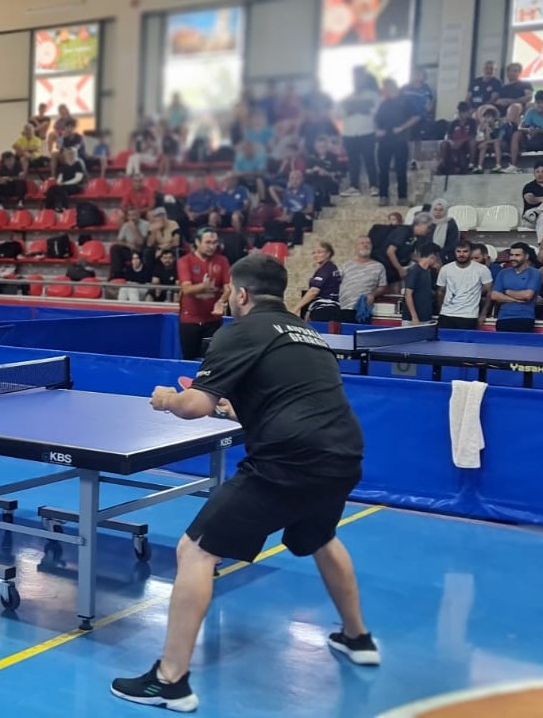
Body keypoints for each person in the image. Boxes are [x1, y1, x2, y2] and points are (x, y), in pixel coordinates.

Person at [111, 254, 378, 712]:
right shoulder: (305, 332)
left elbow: (194, 406)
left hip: (287, 461)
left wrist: (168, 399)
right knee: (320, 537)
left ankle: (170, 681)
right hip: (344, 455)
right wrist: (234, 407)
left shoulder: (238, 331)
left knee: (195, 549)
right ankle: (357, 638)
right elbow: (291, 397)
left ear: (241, 293)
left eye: (229, 291)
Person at [176, 228, 231, 360]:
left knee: (212, 359)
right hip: (190, 320)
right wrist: (203, 287)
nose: (212, 246)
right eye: (208, 242)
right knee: (189, 359)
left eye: (215, 242)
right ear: (197, 242)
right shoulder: (185, 261)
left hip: (213, 320)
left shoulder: (222, 260)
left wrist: (221, 301)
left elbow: (228, 288)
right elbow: (186, 289)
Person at [490, 242, 542, 332]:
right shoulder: (503, 273)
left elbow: (527, 295)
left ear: (526, 256)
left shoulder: (534, 273)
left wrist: (507, 292)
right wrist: (516, 299)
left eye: (517, 255)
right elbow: (494, 295)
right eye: (511, 255)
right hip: (503, 318)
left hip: (524, 318)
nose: (513, 258)